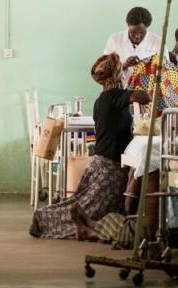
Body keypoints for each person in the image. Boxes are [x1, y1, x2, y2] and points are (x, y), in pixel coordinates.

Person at [29, 53, 151, 240]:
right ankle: (43, 219)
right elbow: (145, 97)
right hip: (109, 171)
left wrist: (123, 71)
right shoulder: (115, 96)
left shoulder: (103, 99)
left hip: (99, 165)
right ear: (117, 75)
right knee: (93, 212)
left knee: (83, 204)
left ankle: (53, 219)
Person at [104, 6, 164, 82]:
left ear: (147, 27)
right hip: (119, 89)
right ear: (128, 26)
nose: (137, 36)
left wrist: (145, 66)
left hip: (146, 90)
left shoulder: (158, 41)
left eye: (142, 32)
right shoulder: (114, 39)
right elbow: (105, 70)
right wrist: (124, 65)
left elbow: (164, 71)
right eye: (133, 32)